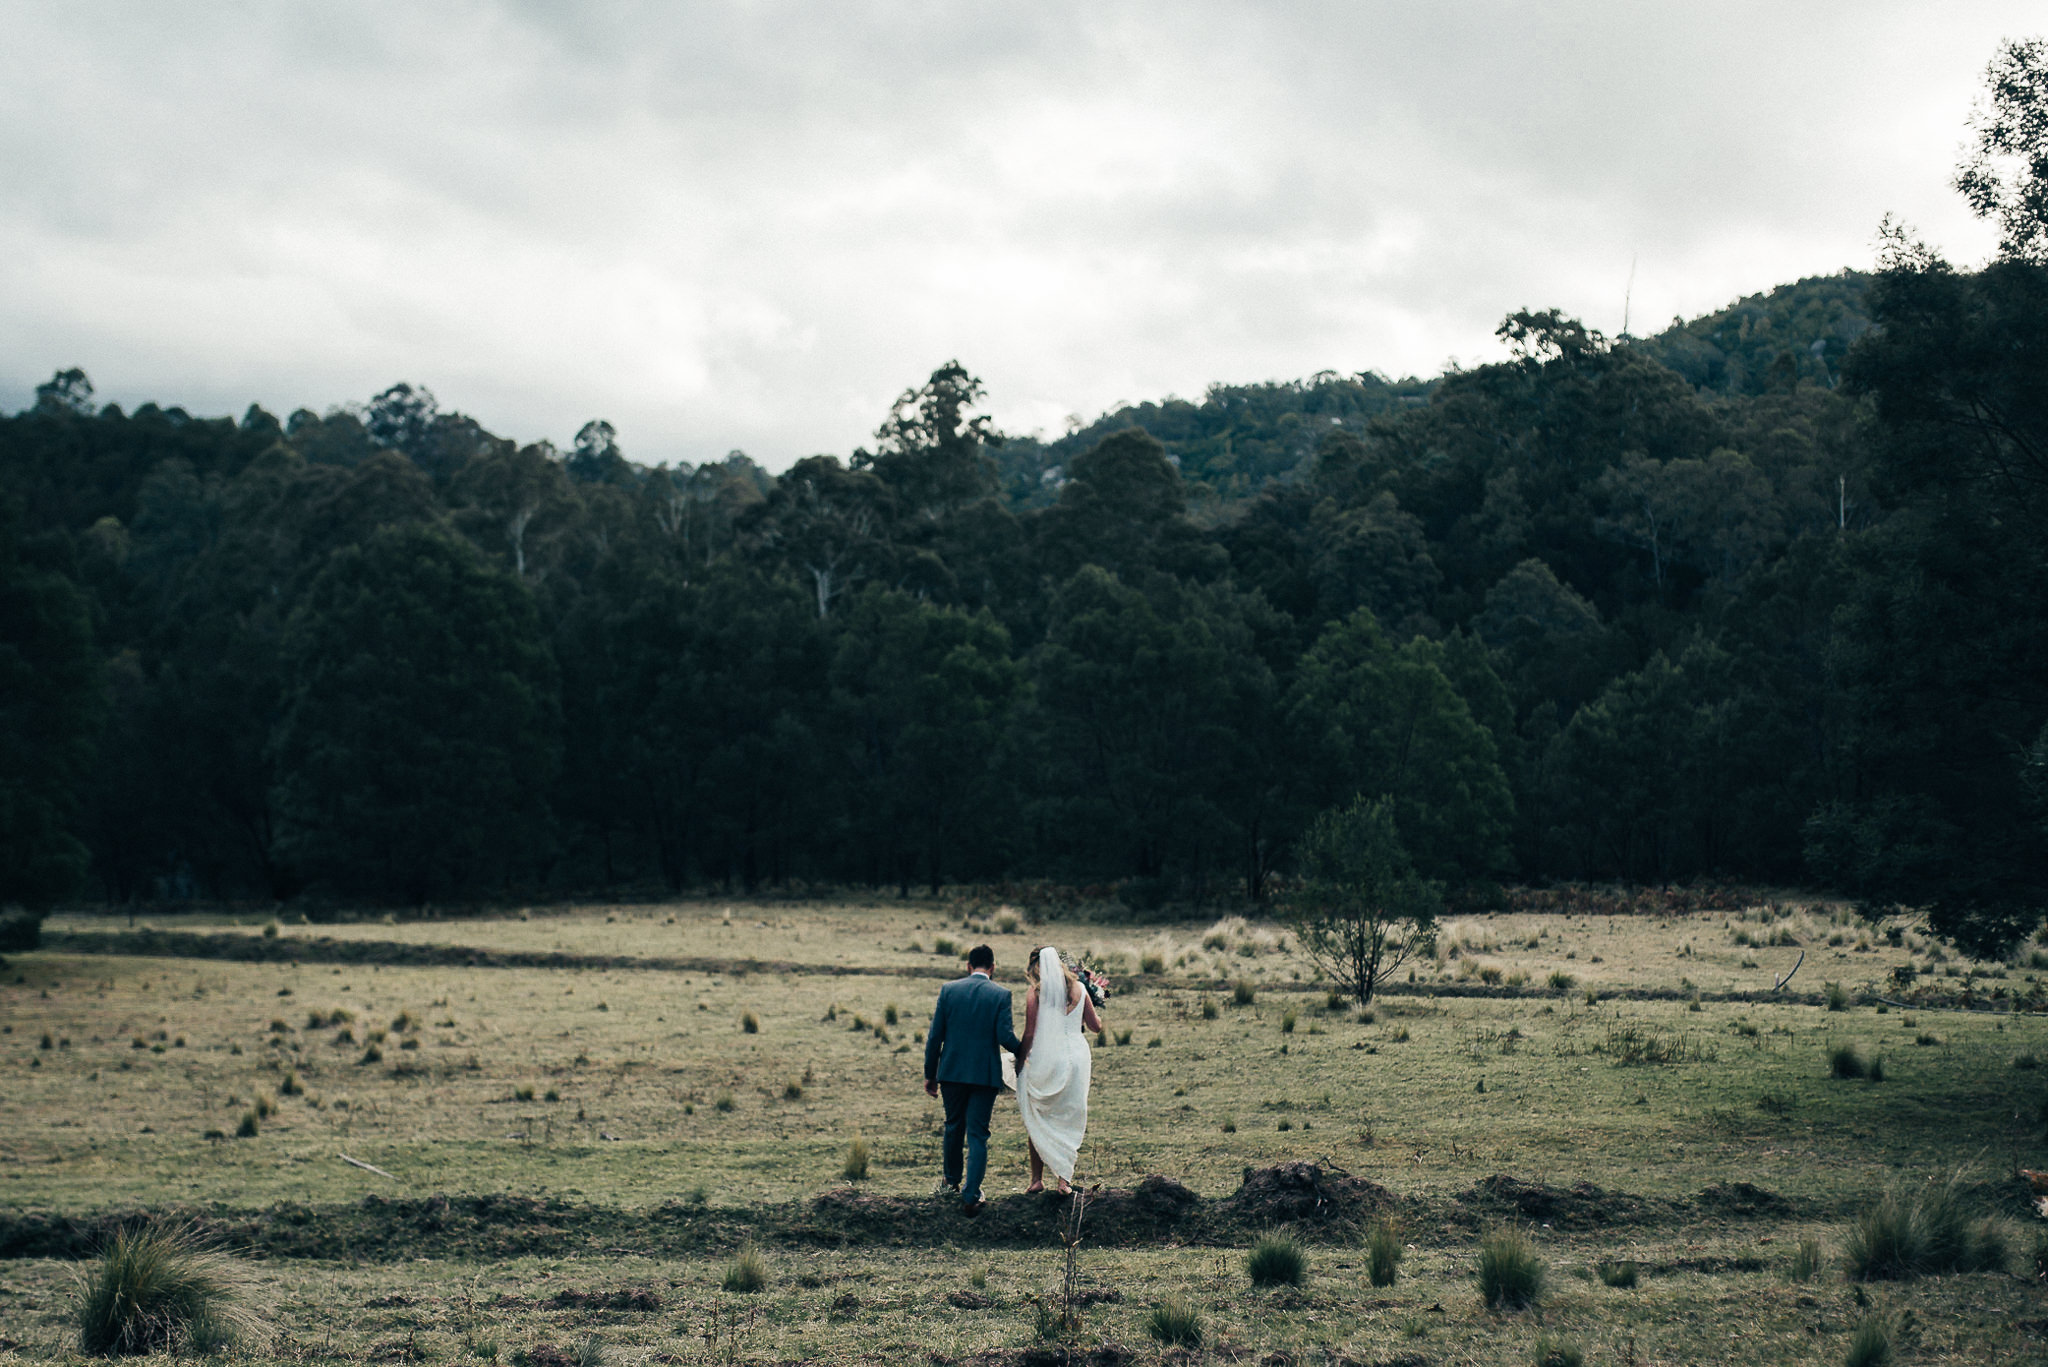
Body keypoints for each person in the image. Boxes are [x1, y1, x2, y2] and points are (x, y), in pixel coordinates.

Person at [922, 943, 1023, 1215]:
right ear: (993, 968)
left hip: (952, 1072)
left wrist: (930, 1074)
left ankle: (951, 1181)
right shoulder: (1001, 994)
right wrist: (1026, 1052)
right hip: (983, 1075)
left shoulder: (948, 990)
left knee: (953, 1125)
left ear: (968, 966)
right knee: (978, 1133)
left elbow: (935, 1037)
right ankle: (971, 1194)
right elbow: (1005, 1037)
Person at [1016, 945, 1101, 1195]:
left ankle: (1036, 1179)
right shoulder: (1080, 988)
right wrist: (1099, 999)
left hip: (1048, 1057)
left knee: (1039, 1113)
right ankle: (1064, 1180)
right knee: (1069, 1113)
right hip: (1077, 1057)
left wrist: (1020, 1061)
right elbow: (1095, 1026)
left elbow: (1030, 1033)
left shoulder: (1035, 993)